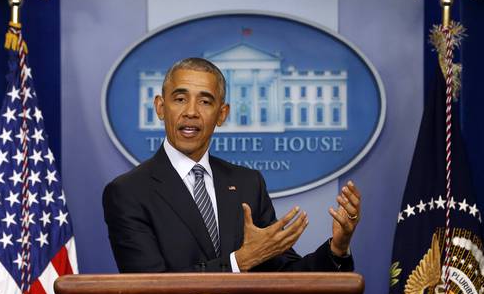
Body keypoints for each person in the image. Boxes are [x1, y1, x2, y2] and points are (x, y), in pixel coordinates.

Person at [103, 57, 361, 273]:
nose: (191, 111)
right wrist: (241, 261)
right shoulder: (128, 192)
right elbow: (149, 285)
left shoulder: (248, 184)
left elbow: (284, 277)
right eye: (180, 99)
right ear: (161, 107)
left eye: (205, 101)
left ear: (222, 114)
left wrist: (336, 249)